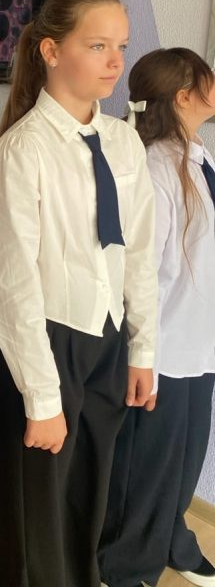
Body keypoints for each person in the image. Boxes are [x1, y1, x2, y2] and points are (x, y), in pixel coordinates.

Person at [0, 0, 158, 587]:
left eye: (122, 46)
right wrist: (42, 396)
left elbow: (139, 252)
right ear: (52, 51)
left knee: (88, 489)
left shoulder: (123, 141)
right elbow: (14, 284)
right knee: (34, 502)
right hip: (46, 340)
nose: (116, 61)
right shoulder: (22, 150)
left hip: (106, 335)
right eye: (98, 45)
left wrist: (142, 349)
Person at [99, 48, 215, 587]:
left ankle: (172, 540)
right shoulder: (153, 166)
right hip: (161, 344)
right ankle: (123, 566)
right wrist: (141, 350)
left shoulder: (199, 155)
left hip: (199, 341)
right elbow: (140, 270)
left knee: (185, 460)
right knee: (144, 466)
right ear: (184, 95)